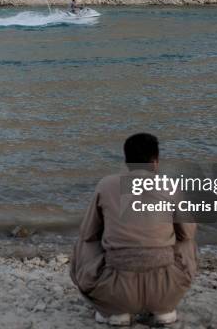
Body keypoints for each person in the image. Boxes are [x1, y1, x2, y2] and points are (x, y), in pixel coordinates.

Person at [70, 133, 197, 326]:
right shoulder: (170, 186)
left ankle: (114, 312)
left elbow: (88, 233)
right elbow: (187, 234)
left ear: (126, 161)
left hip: (115, 291)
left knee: (84, 241)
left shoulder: (106, 185)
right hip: (165, 289)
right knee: (186, 239)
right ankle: (163, 310)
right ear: (155, 162)